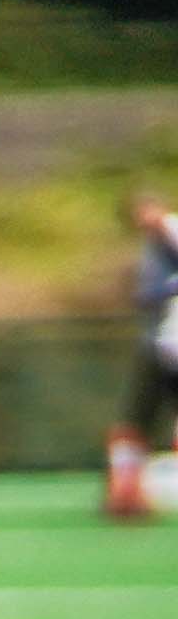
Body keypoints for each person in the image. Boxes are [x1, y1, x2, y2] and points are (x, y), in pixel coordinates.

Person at [122, 190, 175, 471]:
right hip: (159, 341)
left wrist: (162, 292)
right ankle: (128, 479)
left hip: (171, 340)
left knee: (146, 410)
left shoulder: (171, 231)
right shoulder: (152, 242)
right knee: (142, 412)